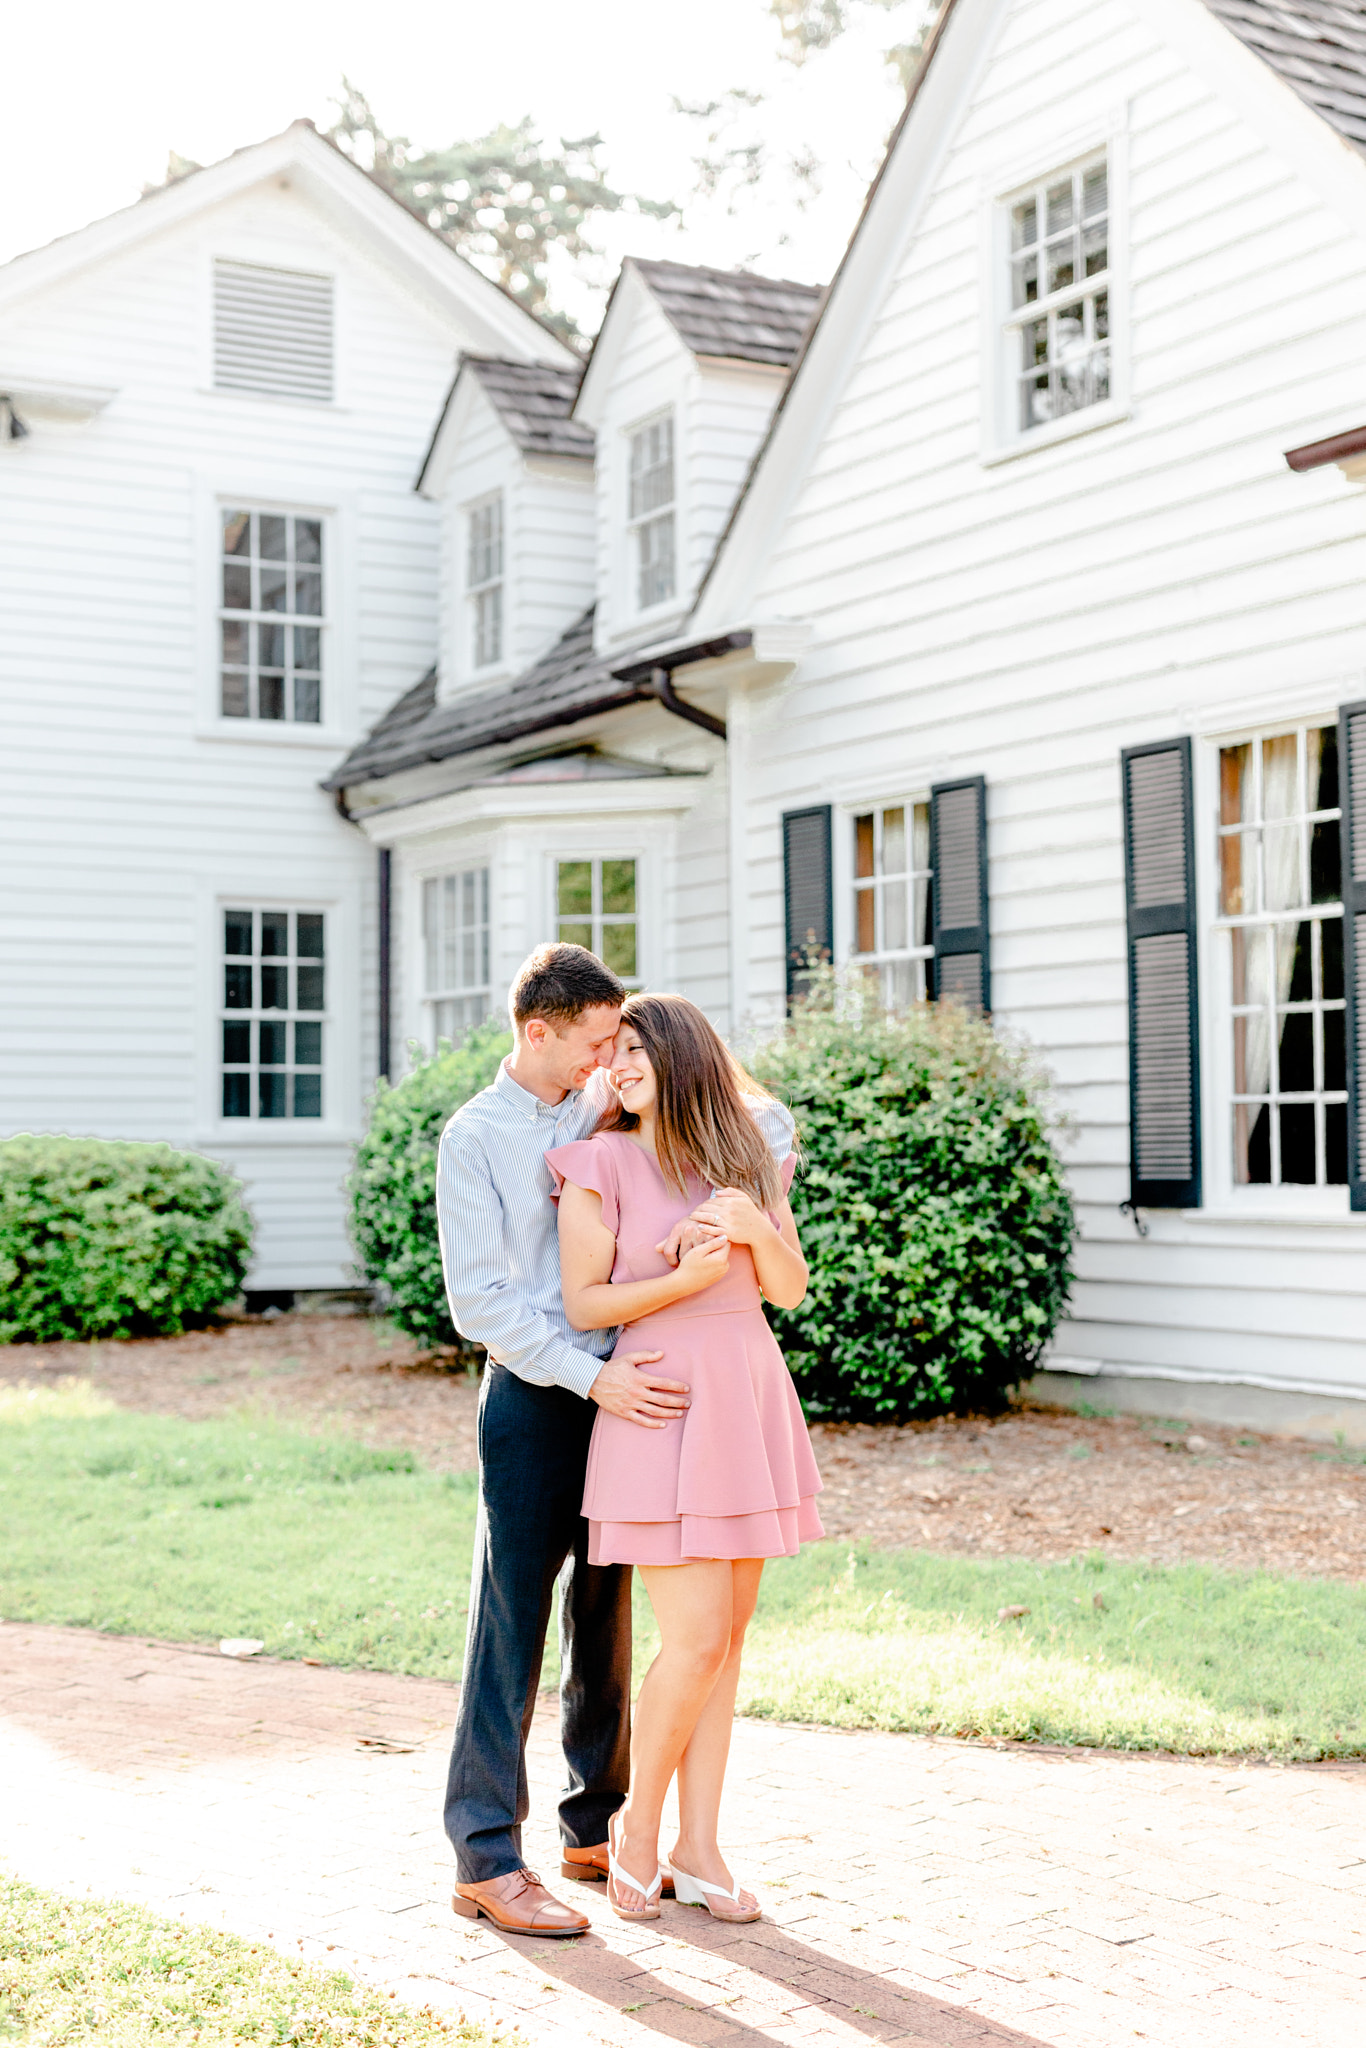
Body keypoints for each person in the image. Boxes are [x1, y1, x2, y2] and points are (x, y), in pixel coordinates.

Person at [437, 944, 793, 1938]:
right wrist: (596, 1375)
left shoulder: (608, 1107)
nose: (609, 1055)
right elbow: (483, 1303)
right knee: (510, 1617)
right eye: (595, 1038)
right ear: (538, 1031)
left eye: (619, 1040)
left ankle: (592, 1825)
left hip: (640, 1389)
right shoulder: (477, 1138)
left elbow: (747, 1116)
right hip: (545, 1393)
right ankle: (485, 1854)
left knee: (611, 1616)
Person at [547, 993, 823, 1925]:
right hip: (662, 1406)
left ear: (682, 1057)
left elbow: (788, 1291)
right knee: (696, 1636)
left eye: (635, 1050)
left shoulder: (744, 1162)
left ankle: (701, 1850)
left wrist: (749, 1227)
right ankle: (636, 1836)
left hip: (747, 1398)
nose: (618, 1065)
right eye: (611, 1052)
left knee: (730, 1639)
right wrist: (690, 1276)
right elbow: (585, 1305)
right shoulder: (598, 1161)